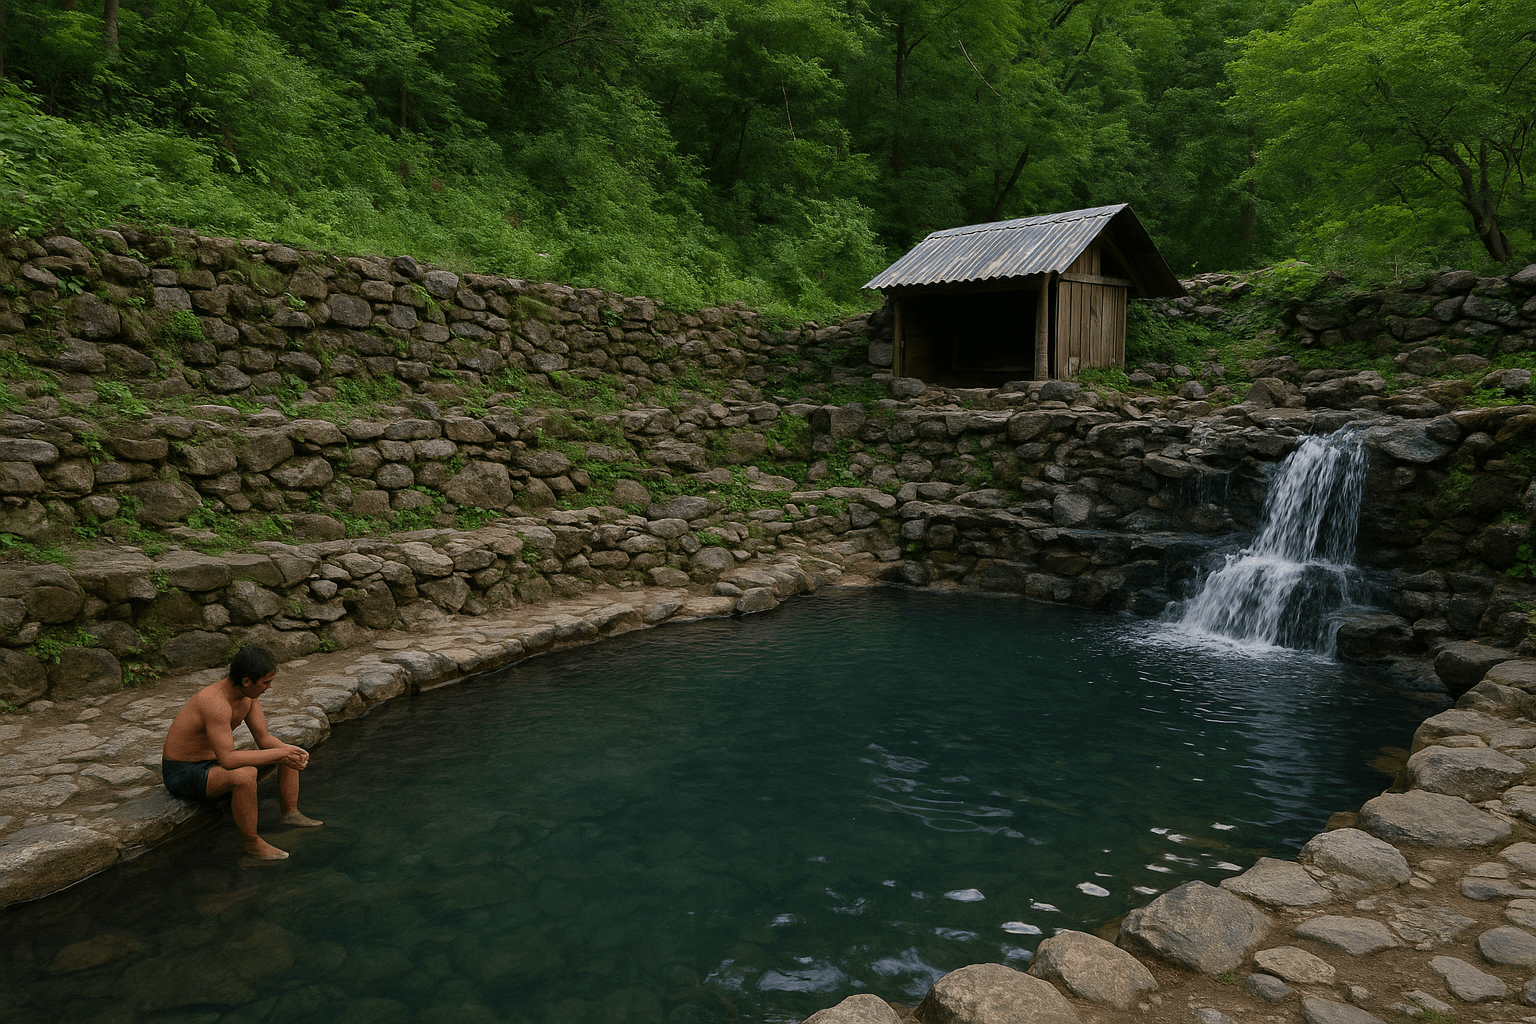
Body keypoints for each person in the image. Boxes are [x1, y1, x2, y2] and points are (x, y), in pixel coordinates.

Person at [161, 645, 322, 860]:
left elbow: (264, 739)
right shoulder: (214, 702)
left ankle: (290, 814)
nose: (270, 687)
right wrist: (279, 754)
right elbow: (228, 759)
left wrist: (287, 752)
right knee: (245, 775)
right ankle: (251, 843)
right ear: (247, 681)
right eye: (265, 682)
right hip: (183, 772)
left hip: (212, 762)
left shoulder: (248, 697)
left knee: (286, 751)